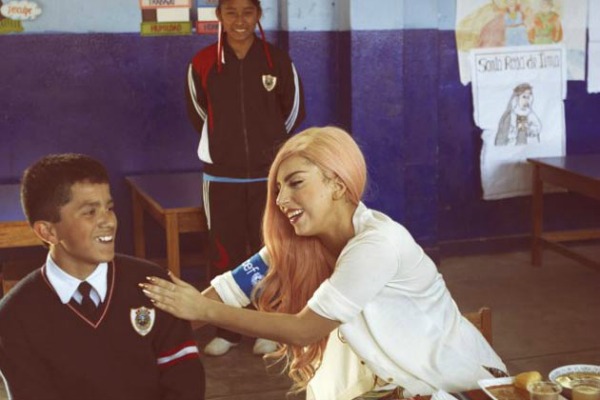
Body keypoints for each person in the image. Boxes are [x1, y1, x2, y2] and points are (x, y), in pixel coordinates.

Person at [140, 126, 507, 400]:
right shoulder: (294, 245)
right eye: (278, 188)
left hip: (455, 386)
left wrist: (204, 310)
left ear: (337, 184)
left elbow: (304, 330)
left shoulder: (377, 243)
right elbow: (226, 292)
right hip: (392, 388)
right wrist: (142, 321)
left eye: (295, 183)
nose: (281, 199)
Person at [0, 153, 205, 400]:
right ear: (48, 232)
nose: (108, 221)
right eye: (90, 212)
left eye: (109, 208)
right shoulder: (14, 317)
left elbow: (186, 385)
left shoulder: (154, 285)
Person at [185, 0, 305, 357]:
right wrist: (225, 145)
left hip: (269, 177)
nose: (240, 20)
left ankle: (269, 326)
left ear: (258, 15)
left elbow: (293, 111)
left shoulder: (276, 60)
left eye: (248, 12)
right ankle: (229, 329)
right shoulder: (202, 63)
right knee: (225, 252)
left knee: (271, 251)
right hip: (222, 178)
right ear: (219, 16)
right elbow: (198, 112)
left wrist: (271, 147)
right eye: (231, 12)